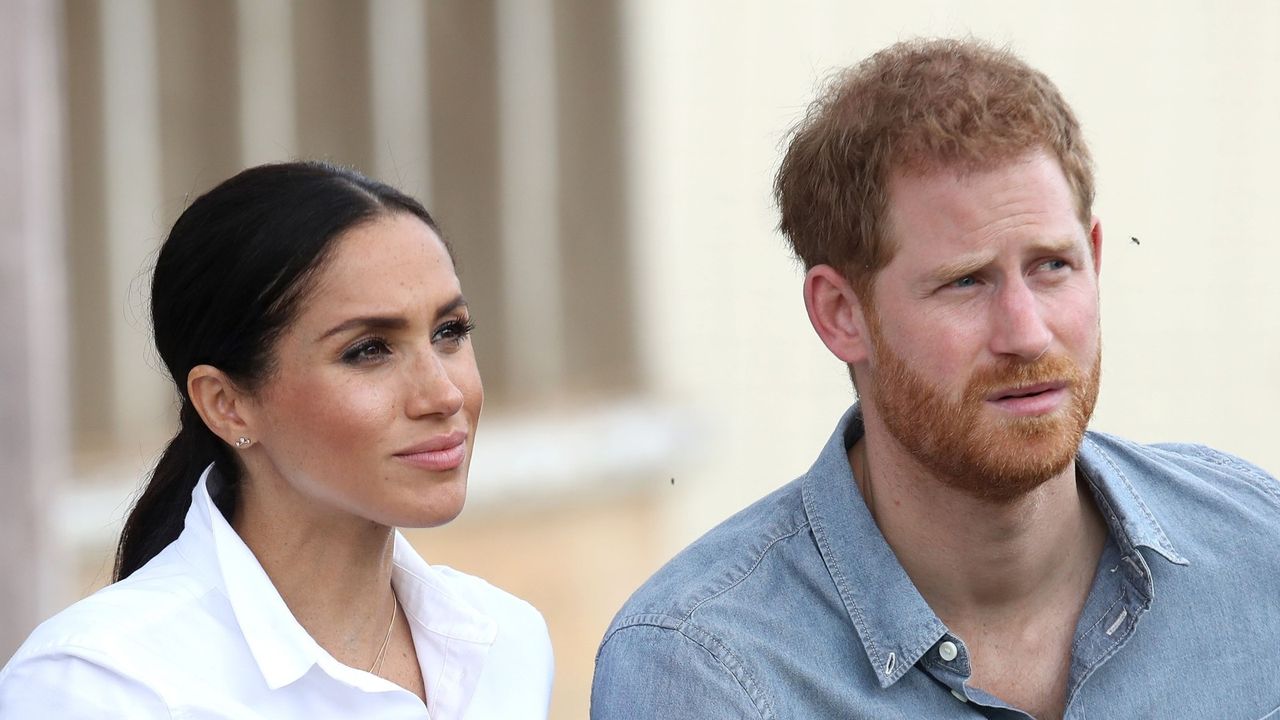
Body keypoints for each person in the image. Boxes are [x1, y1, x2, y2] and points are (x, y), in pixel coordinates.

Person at [591, 38, 1280, 719]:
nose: (1027, 333)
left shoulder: (1259, 552)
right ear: (841, 314)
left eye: (1051, 266)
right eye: (965, 282)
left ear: (1096, 258)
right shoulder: (705, 670)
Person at [0, 162, 554, 718]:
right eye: (368, 349)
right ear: (226, 403)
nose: (444, 394)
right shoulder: (102, 686)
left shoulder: (506, 645)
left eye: (449, 332)